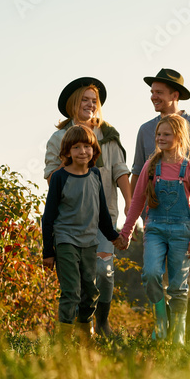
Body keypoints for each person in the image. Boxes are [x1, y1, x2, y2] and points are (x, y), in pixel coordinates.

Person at [130, 68, 190, 343]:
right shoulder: (146, 130)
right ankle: (164, 329)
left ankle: (189, 336)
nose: (153, 97)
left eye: (159, 93)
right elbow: (137, 172)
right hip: (155, 217)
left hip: (186, 220)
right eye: (152, 92)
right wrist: (132, 213)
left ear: (175, 95)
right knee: (153, 273)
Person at [45, 77, 131, 337]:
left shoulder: (108, 134)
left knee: (103, 273)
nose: (91, 105)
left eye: (94, 101)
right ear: (73, 103)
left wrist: (130, 205)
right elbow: (52, 176)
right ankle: (81, 332)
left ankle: (101, 322)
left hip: (103, 219)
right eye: (85, 99)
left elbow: (120, 171)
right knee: (76, 281)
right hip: (70, 222)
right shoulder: (58, 137)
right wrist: (75, 155)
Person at [119, 114, 190, 345]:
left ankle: (177, 332)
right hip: (155, 228)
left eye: (166, 134)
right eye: (158, 134)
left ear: (179, 137)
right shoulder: (151, 166)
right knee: (151, 274)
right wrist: (126, 232)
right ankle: (160, 319)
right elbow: (137, 201)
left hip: (182, 231)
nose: (160, 138)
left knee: (178, 285)